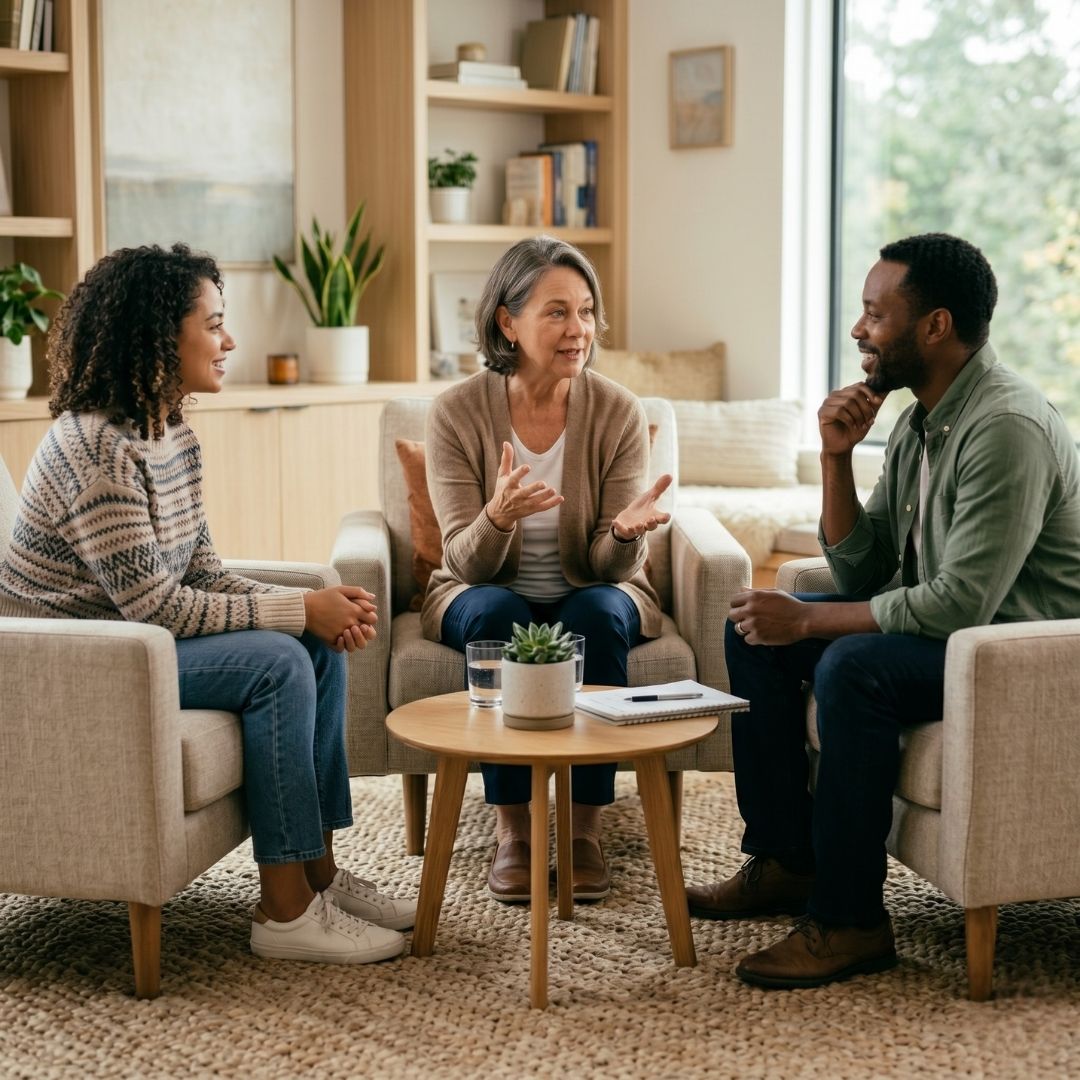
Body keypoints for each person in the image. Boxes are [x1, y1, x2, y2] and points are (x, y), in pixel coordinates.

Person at [0, 243, 417, 965]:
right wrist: (296, 614)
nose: (230, 342)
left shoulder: (169, 433)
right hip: (75, 662)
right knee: (279, 664)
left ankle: (318, 874)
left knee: (312, 645)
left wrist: (313, 606)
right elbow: (157, 609)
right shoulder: (97, 449)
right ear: (161, 336)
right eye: (215, 324)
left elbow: (204, 573)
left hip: (132, 643)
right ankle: (285, 915)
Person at [685, 232, 1080, 988]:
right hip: (959, 638)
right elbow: (863, 568)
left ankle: (850, 921)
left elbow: (961, 601)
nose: (860, 329)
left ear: (934, 326)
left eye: (875, 313)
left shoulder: (1005, 428)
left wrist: (809, 621)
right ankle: (791, 861)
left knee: (852, 666)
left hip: (1021, 654)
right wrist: (835, 458)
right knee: (754, 631)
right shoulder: (919, 421)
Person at [422, 235, 672, 903]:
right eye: (557, 312)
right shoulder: (455, 412)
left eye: (586, 311)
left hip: (589, 586)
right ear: (509, 322)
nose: (578, 330)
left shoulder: (617, 410)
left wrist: (622, 532)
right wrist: (498, 516)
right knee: (498, 614)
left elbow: (606, 567)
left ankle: (585, 829)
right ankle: (515, 832)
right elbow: (462, 561)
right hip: (480, 590)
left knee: (595, 614)